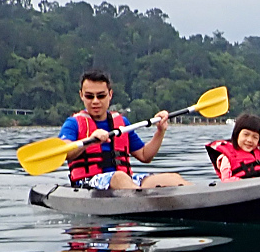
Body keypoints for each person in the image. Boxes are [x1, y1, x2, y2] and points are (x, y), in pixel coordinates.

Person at [61, 70, 190, 190]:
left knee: (172, 178)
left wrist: (160, 131)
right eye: (89, 96)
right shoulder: (73, 123)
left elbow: (145, 156)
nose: (95, 101)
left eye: (100, 96)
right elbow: (64, 152)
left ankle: (200, 199)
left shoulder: (122, 123)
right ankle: (144, 203)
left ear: (110, 94)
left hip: (125, 181)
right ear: (81, 95)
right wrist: (90, 141)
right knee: (119, 177)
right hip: (88, 183)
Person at [206, 114, 260, 182]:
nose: (249, 140)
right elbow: (226, 180)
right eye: (246, 134)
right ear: (237, 134)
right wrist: (249, 183)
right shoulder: (226, 158)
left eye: (255, 137)